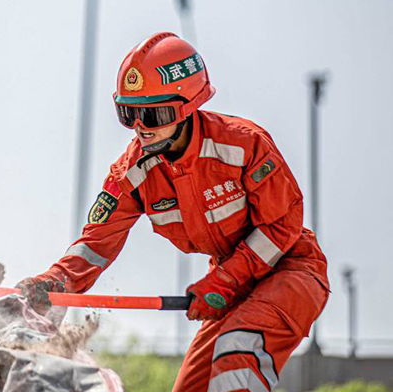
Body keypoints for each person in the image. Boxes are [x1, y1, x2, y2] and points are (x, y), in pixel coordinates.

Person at [18, 32, 329, 392]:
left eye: (152, 114)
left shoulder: (244, 144)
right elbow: (95, 245)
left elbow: (281, 225)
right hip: (229, 285)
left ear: (186, 107)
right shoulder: (132, 174)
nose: (139, 127)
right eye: (128, 113)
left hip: (292, 272)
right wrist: (56, 282)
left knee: (237, 353)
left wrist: (226, 280)